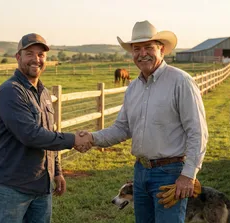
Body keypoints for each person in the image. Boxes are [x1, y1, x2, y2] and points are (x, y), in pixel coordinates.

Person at [78, 21, 208, 223]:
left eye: (149, 47)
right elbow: (122, 128)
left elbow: (197, 131)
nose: (142, 53)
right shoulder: (133, 88)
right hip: (140, 172)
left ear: (162, 50)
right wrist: (92, 138)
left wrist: (188, 175)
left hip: (170, 173)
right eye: (137, 49)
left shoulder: (180, 81)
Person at [0, 33, 91, 223]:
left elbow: (48, 132)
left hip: (42, 186)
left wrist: (57, 171)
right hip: (12, 188)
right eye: (30, 53)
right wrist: (74, 140)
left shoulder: (43, 93)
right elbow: (30, 135)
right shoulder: (11, 91)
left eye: (41, 54)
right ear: (18, 57)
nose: (36, 59)